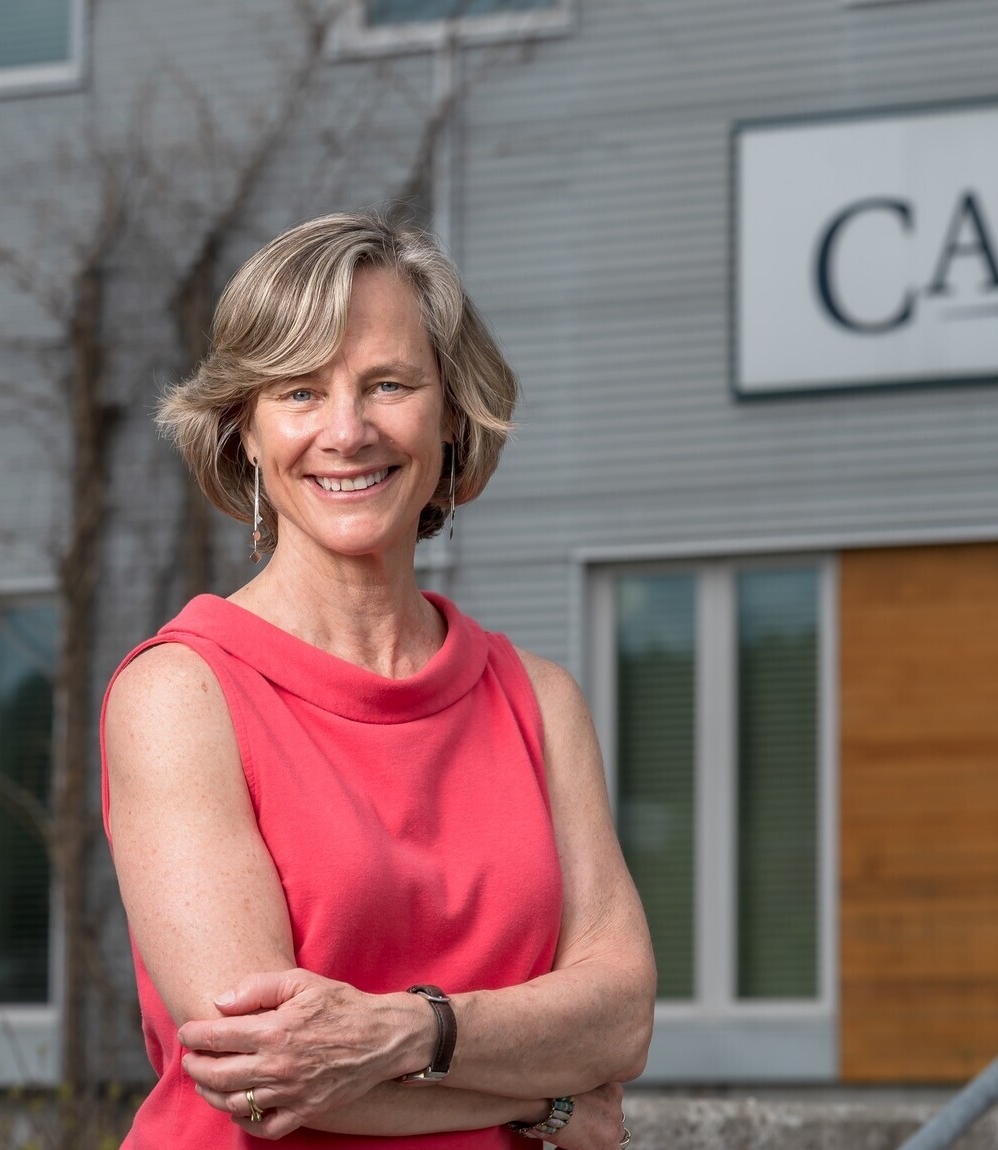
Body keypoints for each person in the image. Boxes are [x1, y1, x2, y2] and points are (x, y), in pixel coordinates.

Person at [100, 212, 656, 1147]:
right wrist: (542, 1099)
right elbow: (263, 1077)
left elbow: (621, 1015)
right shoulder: (183, 695)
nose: (347, 431)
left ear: (448, 413)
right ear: (243, 430)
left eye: (387, 384)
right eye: (299, 392)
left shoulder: (538, 700)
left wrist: (408, 1028)